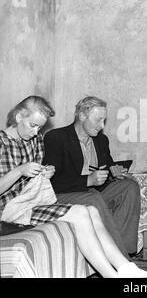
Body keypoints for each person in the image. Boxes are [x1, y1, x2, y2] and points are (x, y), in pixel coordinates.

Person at [0, 95, 147, 278]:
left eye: (39, 127)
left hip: (30, 202)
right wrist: (20, 171)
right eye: (33, 125)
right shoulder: (7, 142)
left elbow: (39, 182)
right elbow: (45, 182)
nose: (37, 132)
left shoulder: (34, 141)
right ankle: (119, 271)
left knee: (94, 207)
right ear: (19, 117)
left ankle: (125, 269)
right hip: (9, 210)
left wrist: (44, 173)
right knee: (88, 204)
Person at [43, 96, 141, 257]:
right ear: (82, 116)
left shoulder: (101, 140)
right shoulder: (56, 138)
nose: (102, 126)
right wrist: (88, 180)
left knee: (129, 187)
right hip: (63, 194)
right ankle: (120, 258)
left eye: (104, 121)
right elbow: (51, 182)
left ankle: (125, 249)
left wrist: (115, 172)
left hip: (92, 191)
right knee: (93, 197)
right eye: (98, 120)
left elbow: (106, 166)